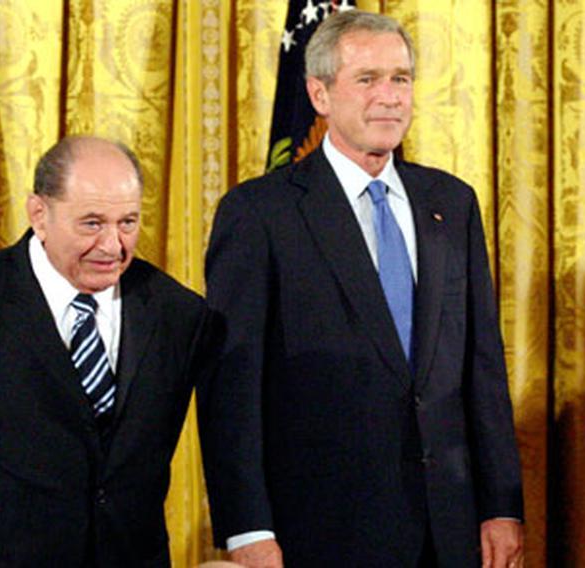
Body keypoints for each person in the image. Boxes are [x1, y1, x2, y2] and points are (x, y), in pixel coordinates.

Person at [200, 9, 524, 568]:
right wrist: (246, 528)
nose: (390, 97)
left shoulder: (451, 202)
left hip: (448, 529)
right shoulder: (260, 213)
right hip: (320, 530)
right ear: (319, 94)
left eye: (401, 78)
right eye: (367, 79)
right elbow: (231, 388)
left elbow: (481, 367)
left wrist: (501, 506)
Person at [0, 136, 212, 566]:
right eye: (92, 223)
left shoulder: (179, 313)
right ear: (39, 215)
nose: (113, 247)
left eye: (128, 223)